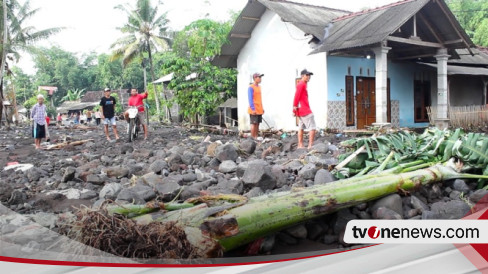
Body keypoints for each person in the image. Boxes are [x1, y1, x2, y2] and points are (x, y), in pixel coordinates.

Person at [293, 69, 316, 149]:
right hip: (305, 110)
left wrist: (295, 110)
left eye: (309, 75)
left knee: (301, 127)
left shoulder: (304, 84)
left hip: (301, 111)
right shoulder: (301, 84)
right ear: (302, 76)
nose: (308, 77)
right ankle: (310, 145)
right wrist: (294, 109)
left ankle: (300, 145)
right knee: (312, 128)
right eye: (307, 75)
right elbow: (296, 96)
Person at [248, 73, 264, 139]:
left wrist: (262, 108)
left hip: (259, 109)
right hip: (253, 109)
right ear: (255, 78)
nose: (260, 79)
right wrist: (253, 109)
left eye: (260, 77)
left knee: (257, 123)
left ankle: (256, 137)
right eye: (259, 77)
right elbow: (250, 98)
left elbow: (259, 99)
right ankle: (252, 138)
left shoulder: (259, 87)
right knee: (253, 124)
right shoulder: (251, 87)